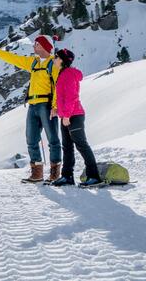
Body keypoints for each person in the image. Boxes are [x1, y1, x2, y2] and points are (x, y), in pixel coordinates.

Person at [0, 35, 61, 183]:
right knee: (31, 139)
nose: (34, 46)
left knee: (53, 139)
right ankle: (37, 173)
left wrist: (55, 106)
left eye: (36, 44)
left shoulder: (53, 63)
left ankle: (55, 174)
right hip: (33, 105)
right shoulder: (33, 62)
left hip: (46, 105)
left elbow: (57, 87)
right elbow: (14, 59)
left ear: (44, 46)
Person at [50, 48, 103, 187]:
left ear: (62, 60)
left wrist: (67, 115)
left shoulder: (68, 74)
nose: (54, 59)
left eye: (56, 57)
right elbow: (63, 97)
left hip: (74, 115)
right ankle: (67, 176)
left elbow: (72, 97)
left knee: (81, 145)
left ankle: (94, 176)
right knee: (67, 147)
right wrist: (58, 110)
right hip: (66, 115)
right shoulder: (63, 73)